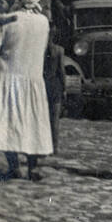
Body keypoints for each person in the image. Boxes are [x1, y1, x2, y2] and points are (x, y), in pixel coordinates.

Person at [0, 0, 53, 181]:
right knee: (32, 121)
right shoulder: (43, 22)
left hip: (8, 75)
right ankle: (33, 168)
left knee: (9, 121)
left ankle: (14, 167)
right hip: (32, 77)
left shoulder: (10, 21)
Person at [43, 26, 67, 155]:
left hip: (42, 85)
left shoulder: (39, 50)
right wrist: (64, 88)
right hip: (55, 86)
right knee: (55, 119)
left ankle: (44, 146)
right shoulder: (59, 50)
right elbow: (61, 71)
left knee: (43, 119)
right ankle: (55, 147)